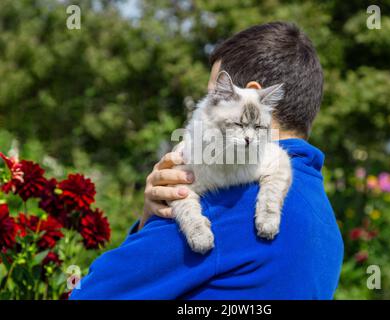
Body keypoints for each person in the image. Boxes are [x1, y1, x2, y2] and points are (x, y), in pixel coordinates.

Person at [70, 21, 344, 300]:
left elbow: (91, 294)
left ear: (250, 93)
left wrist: (150, 220)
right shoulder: (327, 223)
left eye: (211, 95)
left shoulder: (227, 201)